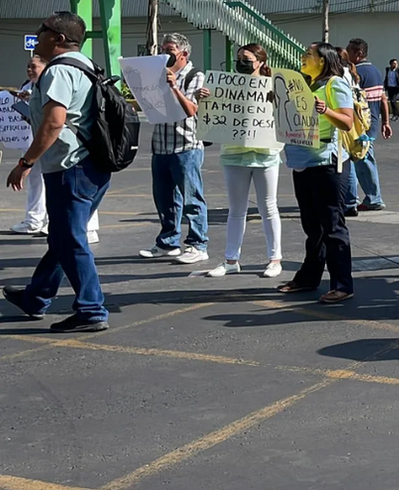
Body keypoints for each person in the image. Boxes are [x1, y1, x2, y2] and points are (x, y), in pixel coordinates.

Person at [1, 12, 112, 332]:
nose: (37, 35)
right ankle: (36, 297)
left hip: (69, 167)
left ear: (58, 39)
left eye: (42, 31)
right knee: (64, 236)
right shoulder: (86, 65)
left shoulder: (59, 71)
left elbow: (54, 122)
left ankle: (92, 310)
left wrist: (25, 163)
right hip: (92, 164)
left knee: (70, 238)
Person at [276, 43, 356, 304]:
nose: (303, 57)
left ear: (322, 60)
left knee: (332, 225)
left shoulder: (334, 84)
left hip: (326, 163)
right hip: (302, 160)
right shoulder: (304, 84)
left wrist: (326, 110)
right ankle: (309, 278)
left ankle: (343, 284)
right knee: (312, 226)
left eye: (308, 54)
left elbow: (347, 121)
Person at [194, 44, 283, 278]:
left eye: (247, 59)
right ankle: (231, 259)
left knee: (268, 207)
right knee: (236, 210)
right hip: (234, 153)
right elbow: (211, 112)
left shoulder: (273, 86)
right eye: (238, 59)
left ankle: (275, 259)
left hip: (265, 154)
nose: (241, 63)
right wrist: (202, 98)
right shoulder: (225, 86)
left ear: (261, 62)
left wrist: (279, 101)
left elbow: (286, 114)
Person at [9, 55, 101, 242]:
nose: (29, 70)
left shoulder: (58, 76)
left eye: (33, 66)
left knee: (75, 197)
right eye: (28, 66)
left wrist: (26, 162)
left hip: (66, 150)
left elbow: (54, 121)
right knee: (44, 188)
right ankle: (39, 220)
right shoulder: (33, 85)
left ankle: (87, 228)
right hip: (44, 146)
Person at [138, 32, 209, 264]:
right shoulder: (158, 74)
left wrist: (174, 87)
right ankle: (168, 242)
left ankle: (198, 244)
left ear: (183, 54)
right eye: (163, 50)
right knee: (164, 198)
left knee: (191, 198)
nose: (164, 55)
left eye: (169, 51)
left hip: (186, 145)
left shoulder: (194, 76)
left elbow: (191, 110)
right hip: (161, 144)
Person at [343, 39, 390, 214]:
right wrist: (386, 122)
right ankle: (368, 197)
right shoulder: (376, 72)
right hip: (372, 126)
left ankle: (371, 198)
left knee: (359, 162)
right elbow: (383, 99)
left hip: (359, 127)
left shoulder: (356, 73)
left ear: (359, 54)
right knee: (363, 160)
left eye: (349, 52)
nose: (347, 56)